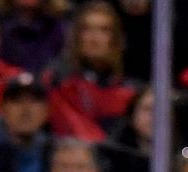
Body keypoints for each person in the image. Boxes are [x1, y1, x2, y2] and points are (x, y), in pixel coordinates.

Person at [43, 1, 133, 143]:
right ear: (76, 36)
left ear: (116, 38)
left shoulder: (129, 92)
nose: (94, 38)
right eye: (86, 29)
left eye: (104, 30)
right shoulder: (58, 82)